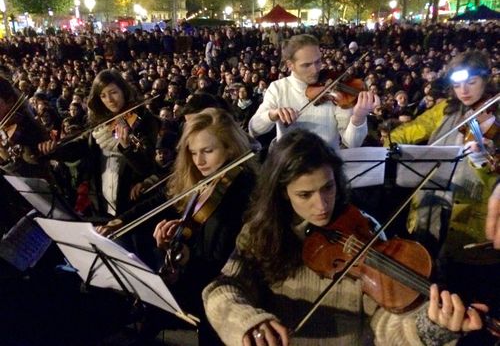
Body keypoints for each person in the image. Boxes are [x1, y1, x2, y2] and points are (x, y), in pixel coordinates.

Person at [203, 129, 486, 346]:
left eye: (328, 187)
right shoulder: (261, 233)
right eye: (305, 195)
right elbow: (221, 290)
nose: (322, 205)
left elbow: (385, 326)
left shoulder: (364, 228)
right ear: (281, 192)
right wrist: (248, 322)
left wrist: (430, 327)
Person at [98, 108, 258, 344]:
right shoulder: (202, 178)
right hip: (191, 278)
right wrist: (123, 220)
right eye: (193, 153)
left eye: (208, 151)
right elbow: (164, 199)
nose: (199, 161)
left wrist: (184, 254)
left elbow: (222, 257)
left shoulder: (241, 189)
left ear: (230, 147)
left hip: (218, 292)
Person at [385, 50, 499, 313]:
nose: (464, 91)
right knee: (436, 288)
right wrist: (392, 138)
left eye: (471, 82)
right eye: (457, 84)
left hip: (476, 219)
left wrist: (488, 150)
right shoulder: (445, 110)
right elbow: (405, 132)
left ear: (486, 79)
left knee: (473, 297)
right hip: (434, 207)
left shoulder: (494, 114)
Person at [39, 69, 159, 217]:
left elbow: (147, 167)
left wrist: (128, 148)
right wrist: (55, 149)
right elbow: (79, 147)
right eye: (103, 96)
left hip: (130, 203)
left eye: (113, 92)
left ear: (123, 90)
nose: (109, 99)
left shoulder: (144, 120)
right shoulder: (101, 124)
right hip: (101, 204)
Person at [248, 34, 378, 150]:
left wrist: (358, 117)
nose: (315, 69)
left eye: (318, 61)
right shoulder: (278, 88)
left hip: (326, 165)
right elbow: (254, 129)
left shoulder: (335, 92)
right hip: (290, 166)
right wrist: (272, 114)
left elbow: (352, 143)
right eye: (306, 65)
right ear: (290, 65)